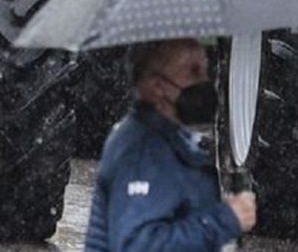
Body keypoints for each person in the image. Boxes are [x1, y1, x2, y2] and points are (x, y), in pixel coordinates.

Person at [85, 39, 256, 251]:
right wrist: (225, 219)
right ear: (158, 87)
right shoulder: (144, 151)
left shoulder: (175, 143)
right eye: (193, 72)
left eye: (205, 71)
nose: (205, 82)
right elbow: (137, 245)